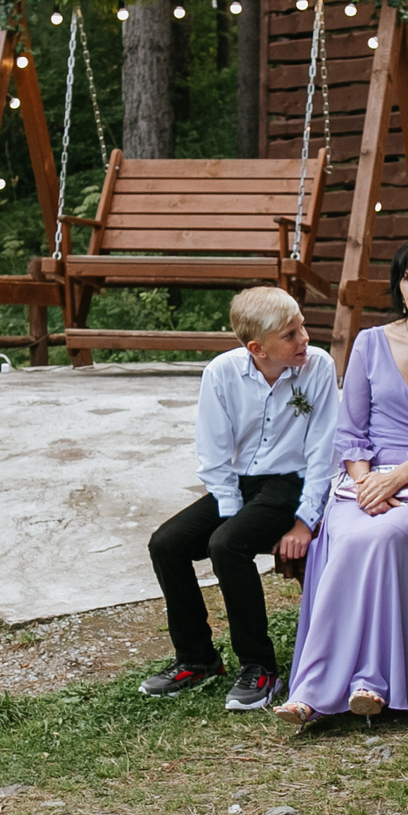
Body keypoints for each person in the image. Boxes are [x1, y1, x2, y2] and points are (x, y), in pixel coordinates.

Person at [278, 238, 408, 728]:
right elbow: (350, 430)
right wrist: (366, 480)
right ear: (399, 284)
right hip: (363, 478)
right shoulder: (371, 342)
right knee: (356, 534)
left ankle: (373, 681)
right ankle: (311, 691)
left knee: (388, 536)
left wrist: (403, 473)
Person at [143, 287, 338, 709]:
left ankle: (260, 666)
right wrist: (231, 510)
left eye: (302, 325)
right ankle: (197, 658)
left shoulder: (317, 366)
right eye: (290, 334)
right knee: (166, 543)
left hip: (290, 483)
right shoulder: (222, 372)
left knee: (227, 545)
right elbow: (213, 451)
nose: (304, 337)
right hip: (239, 484)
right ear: (257, 348)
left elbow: (325, 450)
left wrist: (305, 520)